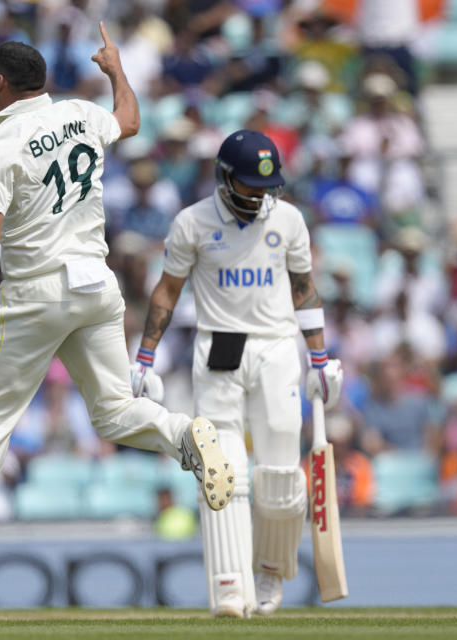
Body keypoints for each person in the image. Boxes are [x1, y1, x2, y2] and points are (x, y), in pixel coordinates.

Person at [0, 28, 235, 601]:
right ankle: (184, 433)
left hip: (35, 295)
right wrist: (115, 70)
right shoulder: (80, 113)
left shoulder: (2, 144)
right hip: (97, 287)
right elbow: (128, 121)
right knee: (114, 411)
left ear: (1, 83)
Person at [130, 129, 343, 617]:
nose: (260, 195)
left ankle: (269, 571)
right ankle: (229, 585)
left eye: (267, 186)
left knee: (282, 474)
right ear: (224, 179)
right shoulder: (192, 223)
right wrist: (145, 355)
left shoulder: (288, 220)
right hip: (219, 346)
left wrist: (320, 358)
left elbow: (304, 290)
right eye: (250, 185)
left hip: (275, 347)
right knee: (222, 472)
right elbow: (167, 291)